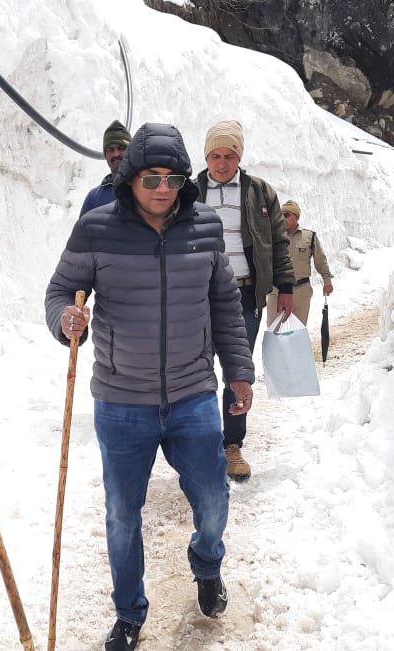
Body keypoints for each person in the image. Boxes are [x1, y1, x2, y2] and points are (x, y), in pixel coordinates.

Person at [46, 123, 255, 651]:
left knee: (213, 498)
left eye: (174, 179)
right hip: (121, 400)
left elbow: (225, 304)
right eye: (152, 178)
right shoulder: (96, 228)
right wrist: (67, 319)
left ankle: (207, 564)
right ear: (130, 178)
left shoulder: (205, 225)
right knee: (122, 514)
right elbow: (60, 292)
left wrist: (239, 371)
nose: (163, 188)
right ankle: (128, 612)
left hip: (192, 394)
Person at [195, 119, 295, 482]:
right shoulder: (190, 192)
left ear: (239, 157)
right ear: (206, 157)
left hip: (244, 293)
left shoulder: (259, 192)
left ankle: (232, 445)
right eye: (215, 156)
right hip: (199, 294)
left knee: (237, 371)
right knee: (197, 370)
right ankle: (201, 445)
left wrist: (286, 286)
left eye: (229, 156)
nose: (222, 163)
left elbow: (279, 241)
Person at [278, 199, 333, 327]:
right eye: (281, 215)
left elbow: (320, 261)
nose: (283, 218)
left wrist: (327, 281)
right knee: (274, 330)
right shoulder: (274, 237)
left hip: (301, 291)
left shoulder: (309, 236)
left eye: (287, 215)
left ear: (297, 216)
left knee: (298, 331)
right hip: (277, 291)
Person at [80, 120, 132, 215]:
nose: (116, 154)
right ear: (105, 155)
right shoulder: (93, 198)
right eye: (110, 149)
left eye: (121, 148)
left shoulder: (144, 188)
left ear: (131, 151)